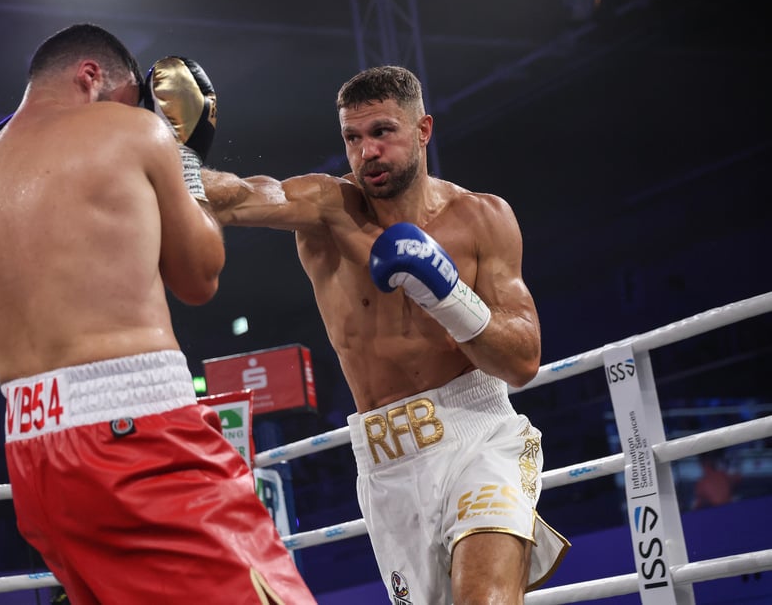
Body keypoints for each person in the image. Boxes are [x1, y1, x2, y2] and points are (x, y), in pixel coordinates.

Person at [0, 23, 316, 604]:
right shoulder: (132, 130)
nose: (139, 111)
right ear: (91, 77)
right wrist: (183, 159)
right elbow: (198, 277)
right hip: (136, 437)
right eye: (130, 98)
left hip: (34, 458)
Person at [202, 65, 570, 604]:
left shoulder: (483, 217)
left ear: (422, 130)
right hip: (388, 459)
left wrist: (448, 293)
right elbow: (238, 197)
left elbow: (523, 360)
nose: (366, 152)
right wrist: (162, 151)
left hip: (479, 435)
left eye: (382, 132)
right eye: (353, 137)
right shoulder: (328, 210)